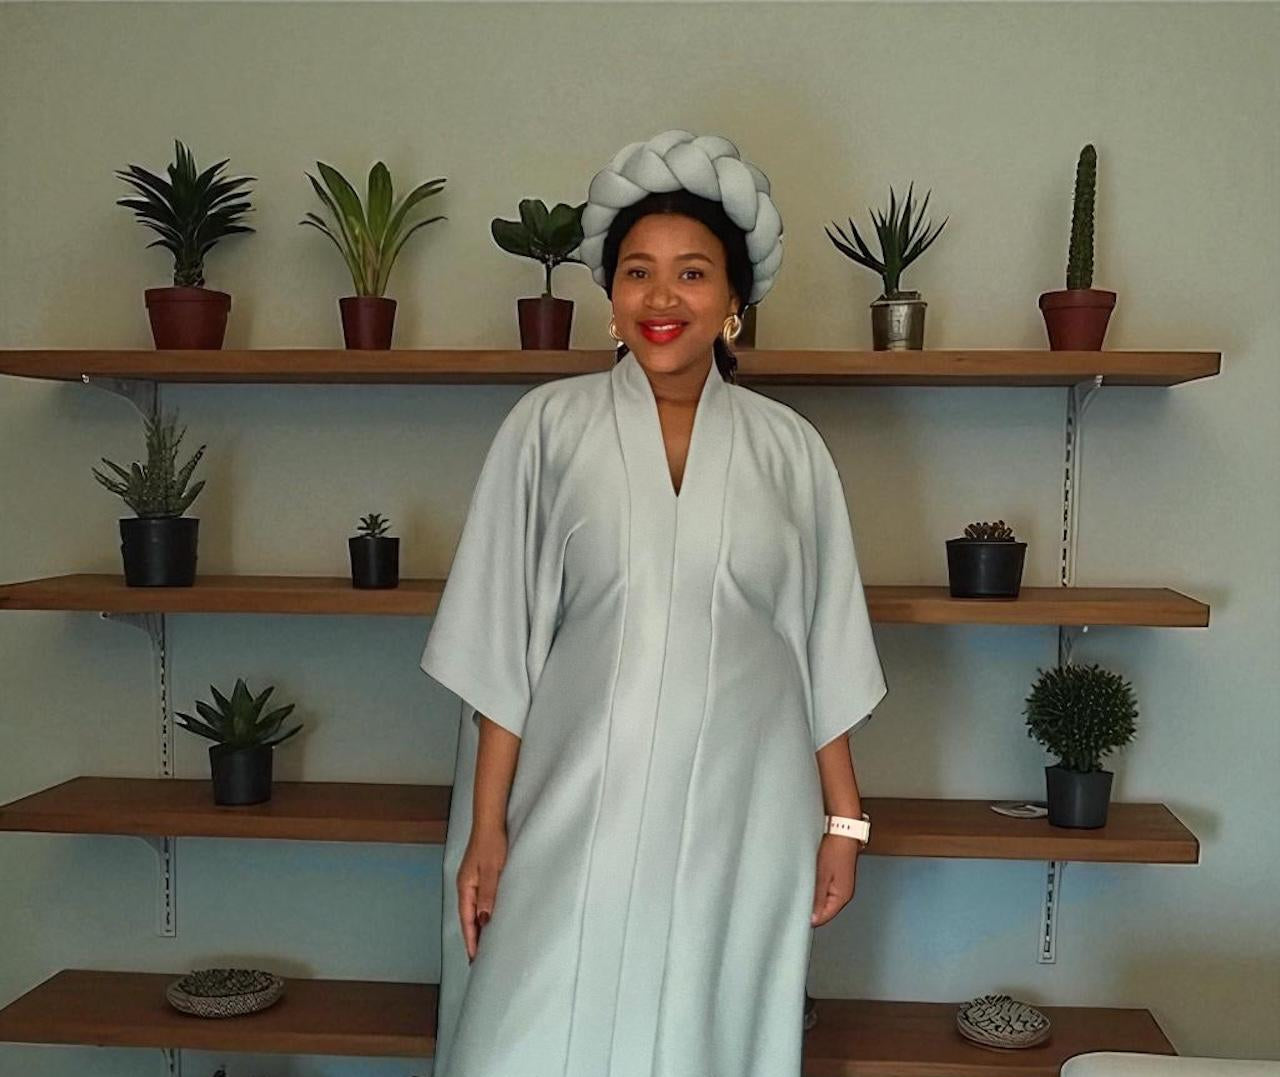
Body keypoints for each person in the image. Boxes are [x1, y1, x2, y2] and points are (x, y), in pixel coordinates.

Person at [420, 129, 888, 1077]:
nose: (662, 298)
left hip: (742, 809)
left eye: (691, 274)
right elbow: (499, 642)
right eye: (639, 272)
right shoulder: (547, 430)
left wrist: (843, 821)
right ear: (611, 298)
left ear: (733, 303)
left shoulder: (789, 451)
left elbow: (821, 643)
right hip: (572, 795)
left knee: (702, 1031)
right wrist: (488, 824)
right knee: (524, 1030)